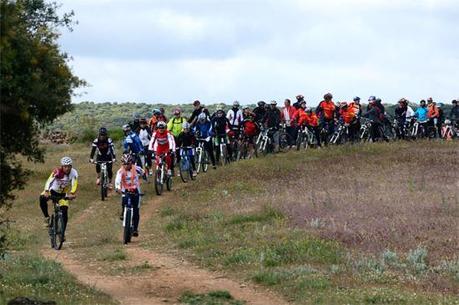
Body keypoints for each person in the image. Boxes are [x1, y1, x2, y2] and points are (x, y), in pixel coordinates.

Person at [39, 157, 78, 241]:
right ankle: (47, 217)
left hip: (63, 194)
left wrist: (72, 193)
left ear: (71, 166)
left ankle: (62, 233)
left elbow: (74, 184)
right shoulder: (57, 171)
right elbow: (49, 180)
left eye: (69, 166)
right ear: (62, 166)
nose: (67, 168)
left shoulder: (74, 173)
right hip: (52, 191)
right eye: (65, 166)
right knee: (41, 198)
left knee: (65, 212)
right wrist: (46, 191)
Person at [114, 153, 144, 237]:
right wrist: (117, 188)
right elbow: (117, 180)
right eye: (124, 164)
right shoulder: (120, 171)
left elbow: (143, 173)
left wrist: (144, 177)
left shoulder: (137, 169)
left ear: (131, 163)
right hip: (125, 190)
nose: (126, 166)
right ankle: (123, 211)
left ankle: (135, 229)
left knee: (136, 210)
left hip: (135, 190)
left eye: (128, 164)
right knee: (124, 200)